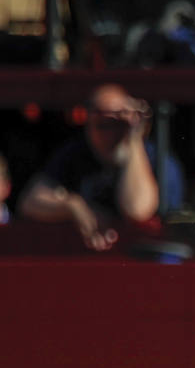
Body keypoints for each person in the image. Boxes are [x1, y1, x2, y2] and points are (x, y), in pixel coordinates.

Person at [18, 84, 178, 251]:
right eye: (101, 125)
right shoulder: (75, 154)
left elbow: (136, 210)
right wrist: (73, 206)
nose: (109, 134)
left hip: (146, 261)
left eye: (118, 124)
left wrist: (134, 138)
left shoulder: (158, 160)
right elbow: (29, 201)